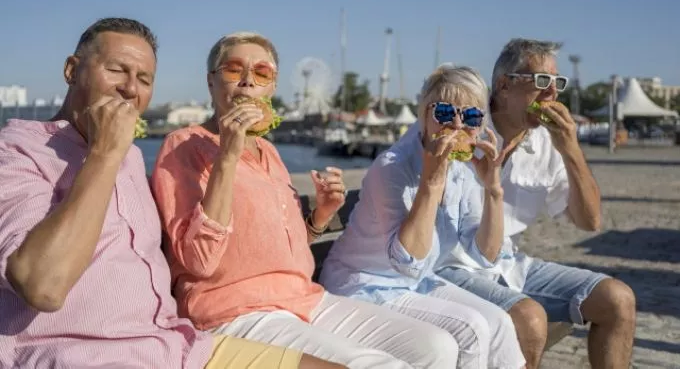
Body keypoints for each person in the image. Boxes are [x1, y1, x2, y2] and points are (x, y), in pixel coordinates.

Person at [0, 17, 342, 369]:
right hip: (85, 353)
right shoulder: (19, 150)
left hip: (176, 344)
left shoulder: (131, 157)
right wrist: (104, 154)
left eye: (145, 79)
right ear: (72, 70)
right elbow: (41, 286)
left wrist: (319, 218)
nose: (130, 89)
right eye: (117, 70)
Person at [151, 31, 461, 369]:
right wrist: (228, 155)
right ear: (211, 83)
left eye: (261, 73)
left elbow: (278, 246)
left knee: (436, 347)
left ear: (272, 87)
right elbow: (198, 262)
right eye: (233, 70)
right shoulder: (183, 146)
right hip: (236, 311)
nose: (246, 82)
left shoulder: (269, 151)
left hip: (304, 297)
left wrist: (320, 217)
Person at [436, 38, 636, 368]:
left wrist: (570, 149)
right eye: (541, 81)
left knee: (618, 300)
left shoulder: (545, 143)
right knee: (530, 319)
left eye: (558, 83)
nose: (551, 93)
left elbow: (590, 221)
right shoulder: (464, 123)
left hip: (507, 264)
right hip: (451, 266)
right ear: (503, 85)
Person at [319, 64, 526, 369]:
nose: (456, 124)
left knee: (499, 323)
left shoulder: (463, 172)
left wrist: (493, 189)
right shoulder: (392, 168)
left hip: (415, 283)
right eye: (444, 112)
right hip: (363, 284)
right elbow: (407, 262)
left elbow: (485, 255)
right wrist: (431, 183)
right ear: (424, 116)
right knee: (471, 329)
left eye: (470, 116)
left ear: (481, 125)